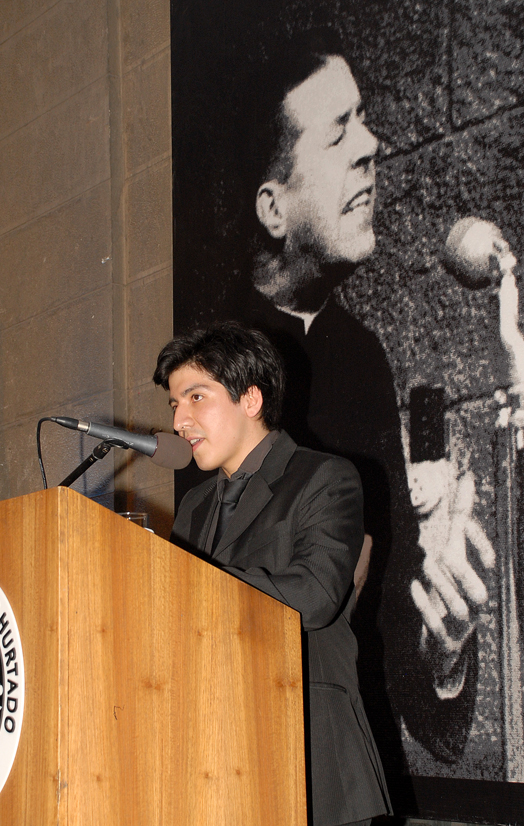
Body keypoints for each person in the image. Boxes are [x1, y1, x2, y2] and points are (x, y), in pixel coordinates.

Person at [240, 28, 496, 776]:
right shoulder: (209, 353)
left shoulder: (361, 359)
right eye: (338, 133)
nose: (371, 146)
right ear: (273, 209)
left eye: (364, 119)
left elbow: (394, 651)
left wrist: (443, 648)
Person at [153, 321, 391, 826]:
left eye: (196, 397)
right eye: (174, 404)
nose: (179, 421)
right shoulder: (195, 506)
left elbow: (316, 595)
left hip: (309, 754)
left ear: (251, 399)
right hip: (215, 757)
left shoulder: (324, 477)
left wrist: (188, 584)